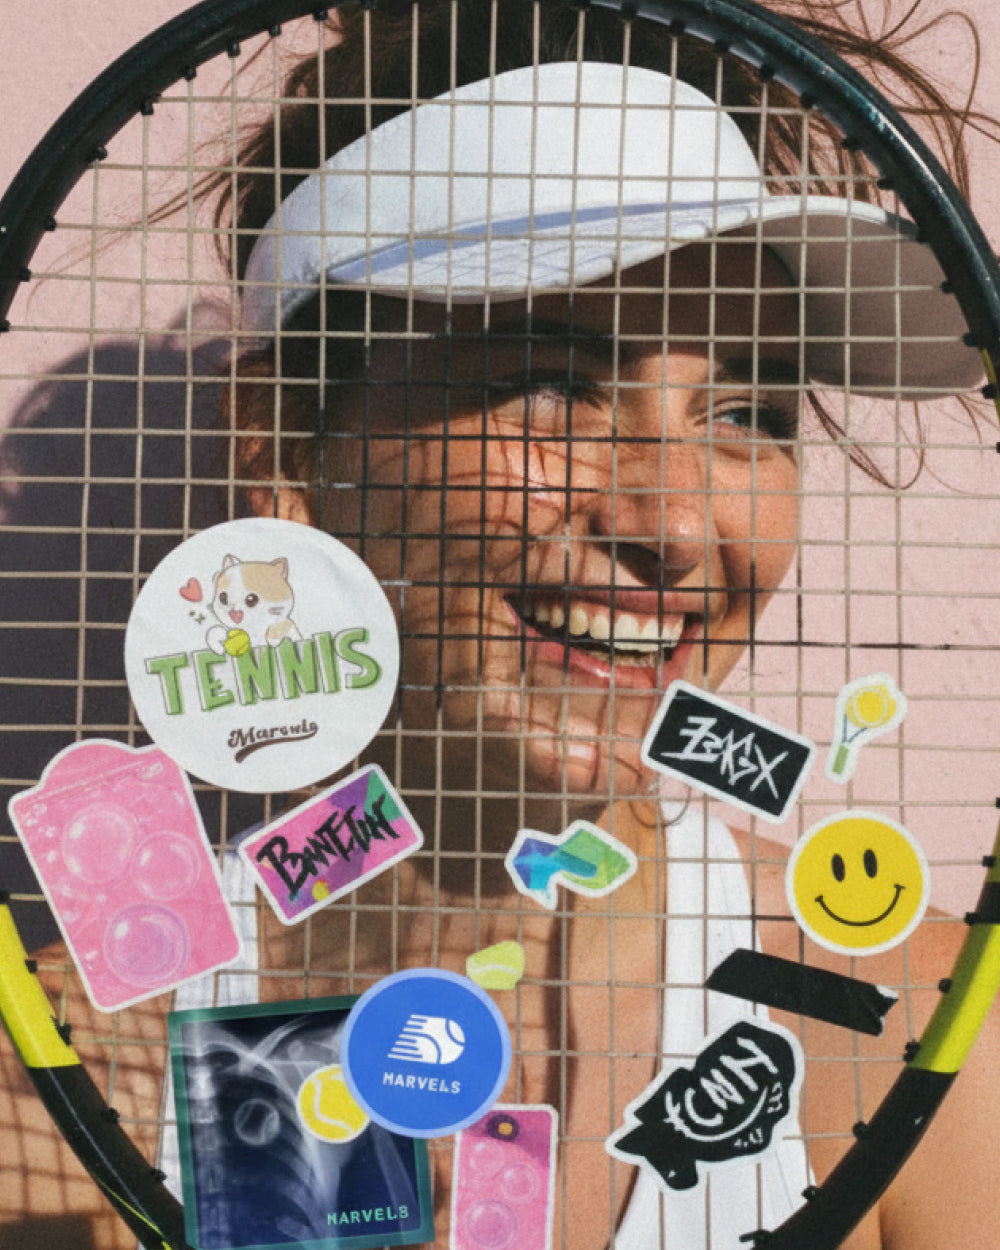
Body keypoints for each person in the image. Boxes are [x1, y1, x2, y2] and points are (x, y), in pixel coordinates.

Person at [2, 2, 1000, 1248]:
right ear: (284, 447)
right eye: (548, 382)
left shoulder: (915, 1032)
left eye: (749, 406)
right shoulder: (69, 1075)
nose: (676, 524)